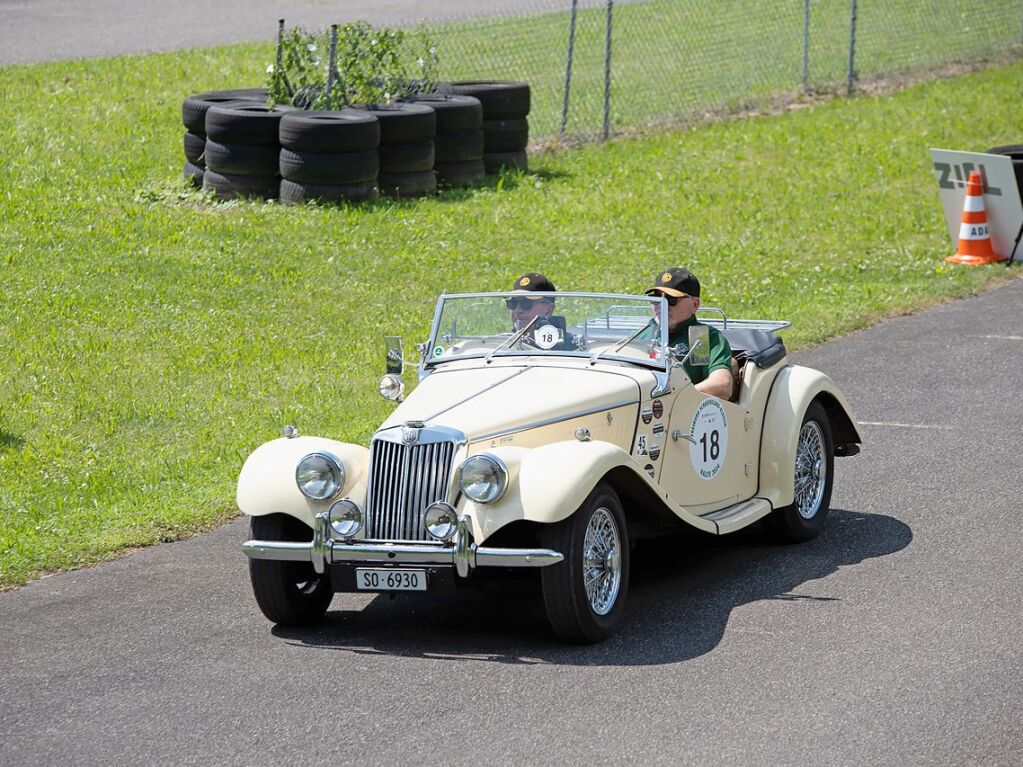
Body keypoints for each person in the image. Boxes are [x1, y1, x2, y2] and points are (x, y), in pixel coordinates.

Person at [645, 267, 733, 399]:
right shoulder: (644, 334)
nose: (661, 305)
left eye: (670, 299)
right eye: (656, 299)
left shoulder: (700, 338)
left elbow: (722, 385)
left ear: (695, 304)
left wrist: (673, 398)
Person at [506, 273, 577, 351]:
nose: (517, 310)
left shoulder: (570, 348)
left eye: (526, 303)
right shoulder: (501, 346)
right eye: (513, 303)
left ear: (549, 310)